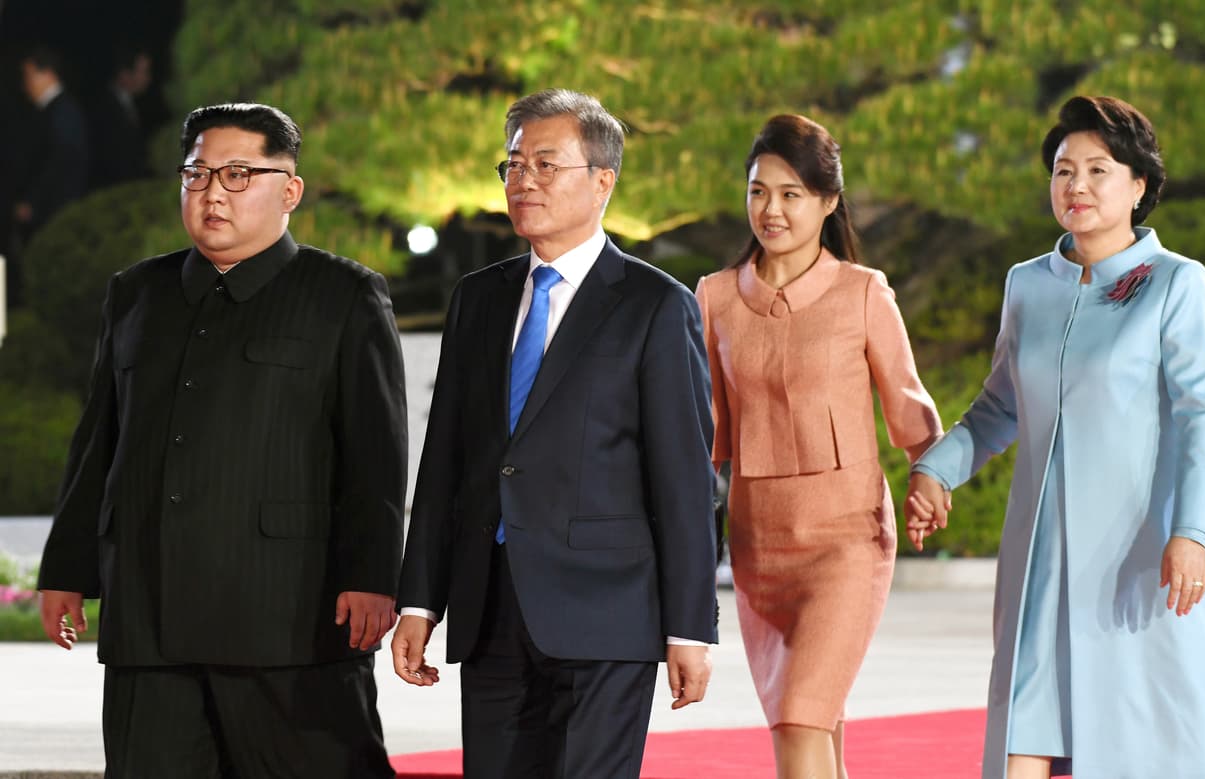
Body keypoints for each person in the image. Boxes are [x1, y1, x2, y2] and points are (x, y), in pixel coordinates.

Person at [36, 102, 407, 779]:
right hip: (150, 619)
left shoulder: (343, 294)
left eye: (238, 174)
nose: (212, 192)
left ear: (289, 190)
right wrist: (65, 569)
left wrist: (372, 576)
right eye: (197, 173)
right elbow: (99, 444)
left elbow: (376, 457)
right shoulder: (136, 293)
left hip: (287, 619)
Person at [391, 88, 719, 779]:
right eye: (512, 165)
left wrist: (690, 625)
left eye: (545, 164)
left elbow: (684, 481)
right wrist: (420, 599)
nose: (523, 181)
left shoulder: (655, 306)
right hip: (489, 607)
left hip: (606, 612)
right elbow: (444, 458)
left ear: (604, 181)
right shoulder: (478, 298)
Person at [905, 96, 1205, 779]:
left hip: (1136, 564)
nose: (1076, 185)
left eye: (1097, 170)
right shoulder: (1028, 285)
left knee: (1139, 743)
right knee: (1023, 737)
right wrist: (936, 470)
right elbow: (998, 409)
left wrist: (1193, 532)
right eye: (1062, 170)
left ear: (1138, 185)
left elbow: (1202, 414)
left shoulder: (1177, 285)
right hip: (1040, 569)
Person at [694, 114, 943, 779]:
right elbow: (703, 437)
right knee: (816, 719)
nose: (770, 209)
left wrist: (931, 477)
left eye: (791, 193)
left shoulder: (864, 293)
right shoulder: (714, 298)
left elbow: (911, 411)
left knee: (800, 716)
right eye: (758, 191)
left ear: (829, 201)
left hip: (846, 543)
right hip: (759, 551)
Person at [15, 44, 89, 234]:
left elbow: (60, 160)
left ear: (47, 73)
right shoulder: (55, 111)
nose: (25, 84)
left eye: (28, 76)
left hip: (55, 212)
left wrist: (33, 201)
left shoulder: (62, 112)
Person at [87, 43, 153, 190]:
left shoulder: (129, 105)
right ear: (125, 74)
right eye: (144, 72)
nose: (148, 78)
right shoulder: (105, 109)